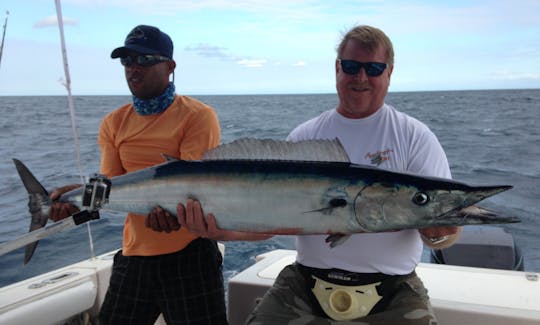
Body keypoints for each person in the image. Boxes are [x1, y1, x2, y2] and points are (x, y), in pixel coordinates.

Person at [177, 25, 461, 324]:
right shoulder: (306, 136)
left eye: (373, 68)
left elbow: (443, 230)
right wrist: (220, 233)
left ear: (389, 72)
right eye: (351, 67)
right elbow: (272, 221)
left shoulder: (414, 136)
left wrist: (440, 235)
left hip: (393, 289)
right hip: (306, 282)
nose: (361, 77)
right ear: (337, 68)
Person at [49, 25, 227, 324]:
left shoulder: (197, 116)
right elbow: (112, 187)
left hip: (190, 254)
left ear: (170, 67)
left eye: (144, 60)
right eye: (127, 61)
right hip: (135, 254)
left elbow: (192, 189)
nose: (134, 68)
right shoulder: (114, 122)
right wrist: (77, 197)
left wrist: (173, 210)